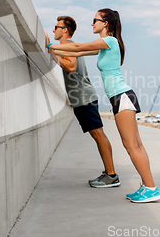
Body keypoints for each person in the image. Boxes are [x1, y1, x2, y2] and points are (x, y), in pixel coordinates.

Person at [46, 9, 160, 203]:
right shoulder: (104, 45)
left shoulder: (110, 41)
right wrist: (52, 48)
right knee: (136, 145)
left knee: (131, 146)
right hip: (121, 97)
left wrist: (49, 45)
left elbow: (78, 47)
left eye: (95, 20)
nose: (92, 24)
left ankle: (151, 188)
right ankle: (147, 186)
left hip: (122, 96)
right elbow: (80, 50)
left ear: (105, 23)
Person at [45, 16, 120, 188]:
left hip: (84, 97)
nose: (53, 30)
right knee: (98, 135)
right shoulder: (67, 45)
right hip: (83, 97)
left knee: (99, 135)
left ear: (65, 30)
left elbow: (70, 67)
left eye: (56, 27)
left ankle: (112, 175)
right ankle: (109, 173)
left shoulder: (65, 45)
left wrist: (51, 50)